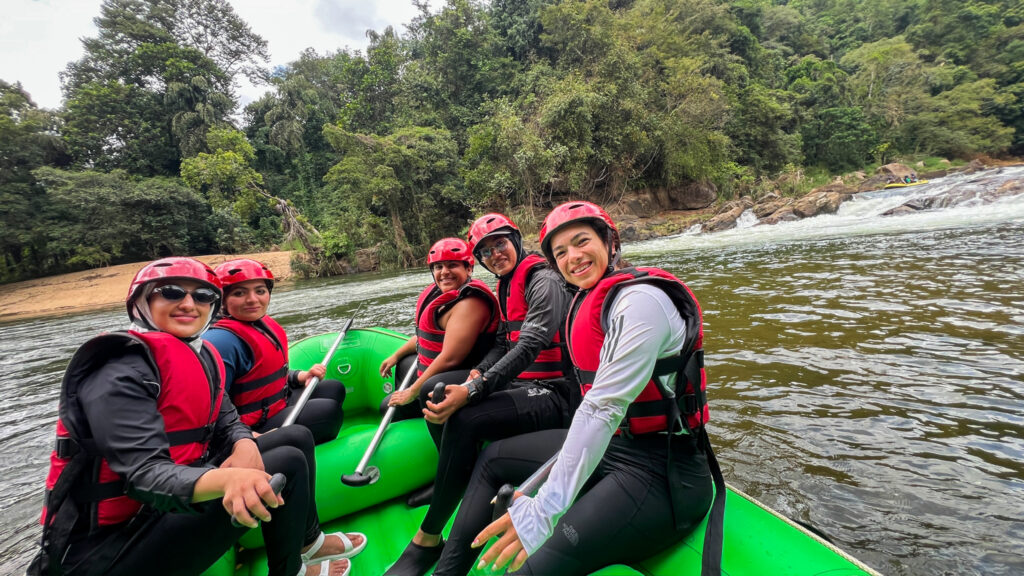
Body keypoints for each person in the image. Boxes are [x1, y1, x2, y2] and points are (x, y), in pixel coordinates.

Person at [429, 201, 726, 576]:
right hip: (615, 449)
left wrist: (545, 507)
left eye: (582, 241)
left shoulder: (642, 301)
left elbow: (603, 407)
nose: (573, 257)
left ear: (609, 241)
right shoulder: (587, 296)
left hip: (663, 473)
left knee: (532, 566)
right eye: (560, 252)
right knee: (493, 459)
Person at [29, 257, 364, 576]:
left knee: (294, 439)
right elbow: (143, 476)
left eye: (202, 296)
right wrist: (227, 480)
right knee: (285, 463)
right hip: (110, 547)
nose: (189, 304)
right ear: (142, 302)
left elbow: (228, 420)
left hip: (162, 508)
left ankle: (308, 544)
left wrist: (244, 441)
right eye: (172, 292)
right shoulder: (119, 371)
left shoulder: (199, 356)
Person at [385, 214, 575, 576]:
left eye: (500, 244)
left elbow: (532, 341)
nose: (495, 254)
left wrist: (476, 387)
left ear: (516, 240)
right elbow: (504, 342)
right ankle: (452, 483)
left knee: (467, 415)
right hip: (523, 385)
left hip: (555, 392)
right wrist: (480, 372)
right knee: (442, 396)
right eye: (486, 251)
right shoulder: (506, 284)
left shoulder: (543, 280)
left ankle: (428, 539)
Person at [205, 259, 346, 445]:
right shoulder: (222, 341)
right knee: (327, 411)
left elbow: (264, 375)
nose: (253, 300)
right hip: (249, 428)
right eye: (239, 293)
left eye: (260, 291)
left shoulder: (258, 324)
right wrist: (244, 436)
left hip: (276, 404)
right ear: (221, 300)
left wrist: (299, 377)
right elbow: (210, 409)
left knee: (333, 388)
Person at [379, 237, 498, 430]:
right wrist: (395, 355)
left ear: (469, 269)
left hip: (465, 376)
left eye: (452, 265)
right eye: (438, 267)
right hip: (445, 371)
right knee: (404, 363)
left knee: (386, 407)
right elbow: (427, 337)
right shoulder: (441, 294)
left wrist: (412, 391)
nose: (444, 272)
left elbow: (450, 358)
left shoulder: (471, 303)